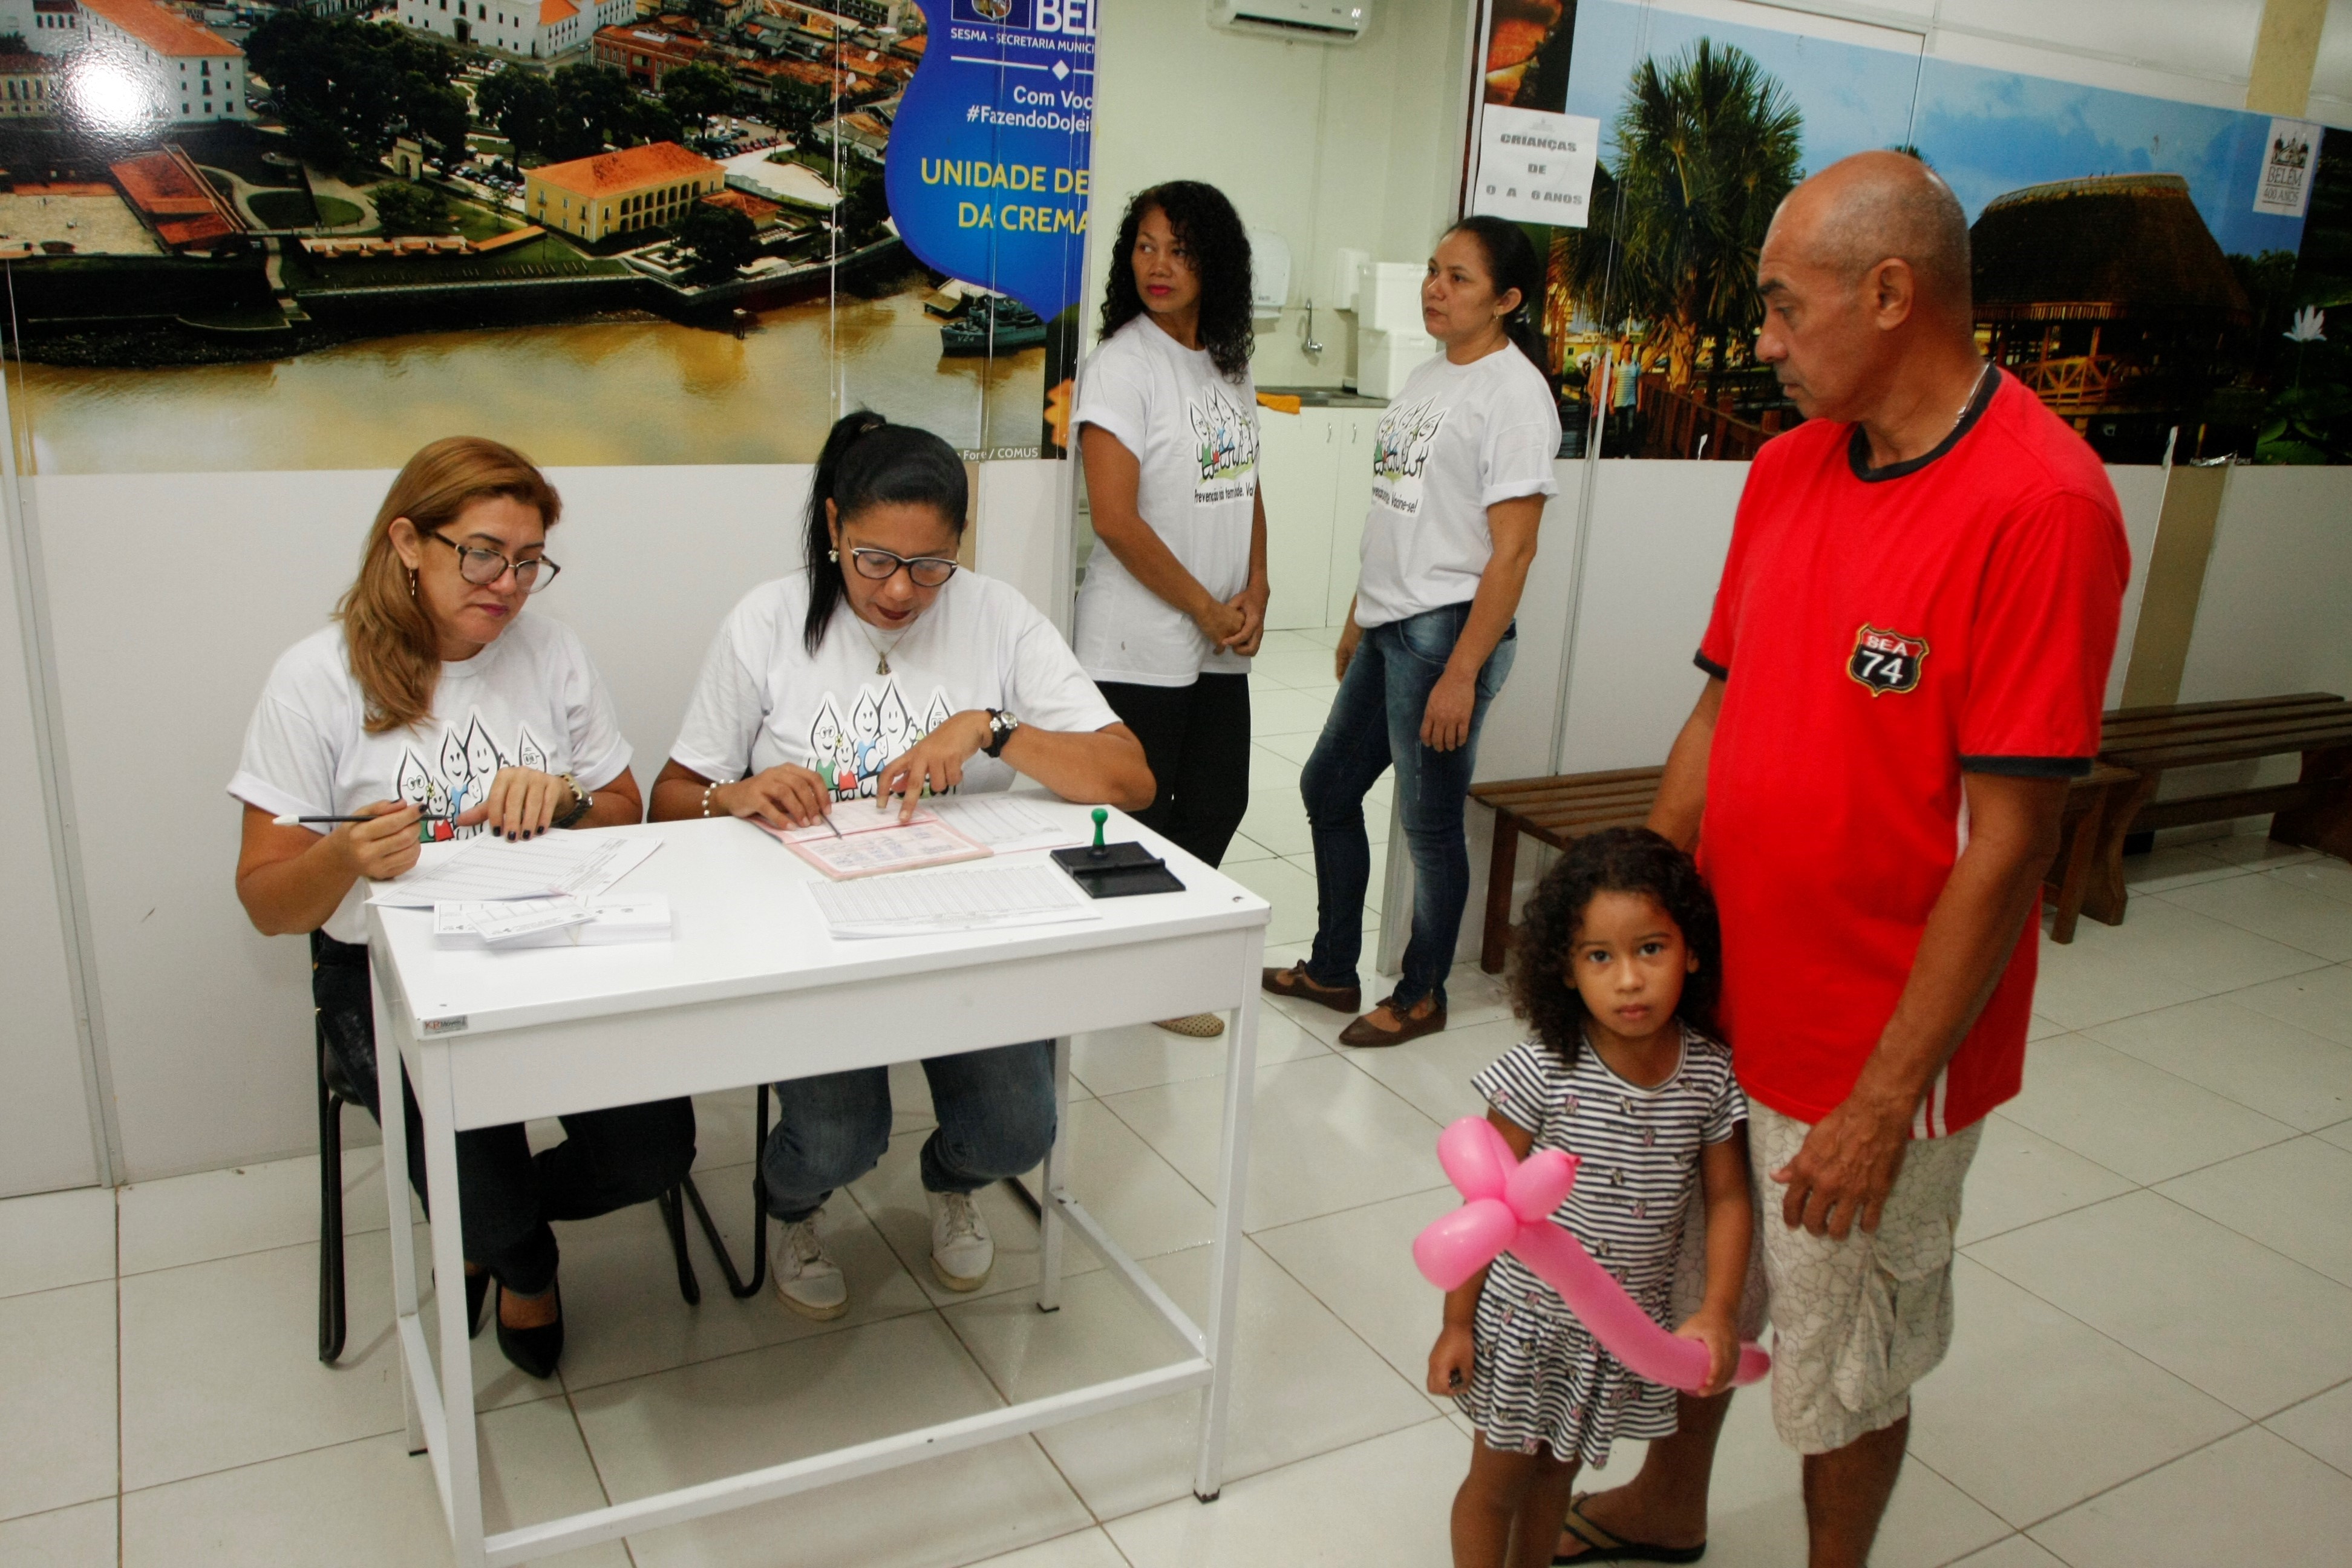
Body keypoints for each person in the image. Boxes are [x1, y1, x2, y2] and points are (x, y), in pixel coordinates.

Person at [1558, 152, 2129, 1568]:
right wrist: (1632, 934)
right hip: (1729, 998)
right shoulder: (1789, 469)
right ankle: (1670, 1501)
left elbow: (2012, 842)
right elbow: (1717, 710)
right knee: (1706, 1277)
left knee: (1842, 1349)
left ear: (1889, 294)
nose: (1762, 340)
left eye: (1781, 306)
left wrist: (1881, 1103)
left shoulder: (2040, 507)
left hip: (1876, 1044)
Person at [650, 411, 1154, 1320]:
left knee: (1017, 1132)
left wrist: (992, 729)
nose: (899, 592)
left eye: (930, 568)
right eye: (874, 560)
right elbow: (670, 796)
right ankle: (793, 1205)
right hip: (814, 940)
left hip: (968, 927)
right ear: (834, 525)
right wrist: (736, 794)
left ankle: (951, 1181)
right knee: (838, 1141)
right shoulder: (769, 621)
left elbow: (1130, 779)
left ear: (960, 547)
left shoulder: (996, 616)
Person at [229, 437, 696, 1380]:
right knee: (477, 1195)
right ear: (409, 542)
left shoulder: (549, 652)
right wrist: (340, 855)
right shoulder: (315, 678)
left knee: (653, 1152)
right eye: (483, 555)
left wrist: (565, 799)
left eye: (529, 562)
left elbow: (625, 806)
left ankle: (494, 1226)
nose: (509, 586)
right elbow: (267, 903)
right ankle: (521, 1260)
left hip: (547, 941)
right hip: (383, 972)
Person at [1263, 215, 1558, 1047]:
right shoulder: (1429, 376)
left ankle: (1423, 993)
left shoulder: (1514, 396)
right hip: (1391, 622)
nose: (1435, 288)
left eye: (1460, 278)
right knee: (1328, 789)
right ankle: (1333, 967)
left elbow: (1515, 551)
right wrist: (1359, 616)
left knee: (1428, 825)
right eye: (1434, 270)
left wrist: (1463, 672)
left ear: (1506, 300)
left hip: (1447, 634)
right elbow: (1398, 511)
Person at [1428, 828, 1751, 1568]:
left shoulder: (1709, 1076)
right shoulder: (1542, 1071)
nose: (1629, 980)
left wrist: (1719, 1309)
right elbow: (1483, 1212)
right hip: (1526, 1327)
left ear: (1691, 951)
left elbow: (1730, 1200)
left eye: (1651, 949)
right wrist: (1456, 1324)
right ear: (1567, 970)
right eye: (1599, 957)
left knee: (1555, 1482)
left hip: (1615, 1333)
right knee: (1496, 1486)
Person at [1075, 180, 1270, 1039]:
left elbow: (1246, 483)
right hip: (1138, 637)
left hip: (1216, 631)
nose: (1158, 265)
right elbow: (1116, 519)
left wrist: (1257, 586)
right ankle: (1136, 978)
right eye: (1146, 245)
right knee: (1139, 814)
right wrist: (1204, 608)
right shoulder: (1123, 365)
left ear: (1214, 264)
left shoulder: (1228, 364)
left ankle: (1161, 962)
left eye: (1180, 250)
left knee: (1219, 800)